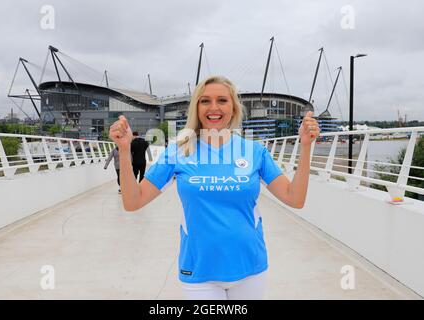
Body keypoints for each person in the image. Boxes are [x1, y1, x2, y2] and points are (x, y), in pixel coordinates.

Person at [109, 76, 320, 300]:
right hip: (199, 271)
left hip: (250, 268)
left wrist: (305, 147)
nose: (214, 108)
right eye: (205, 101)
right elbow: (133, 201)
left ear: (233, 108)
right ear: (196, 108)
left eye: (222, 100)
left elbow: (294, 198)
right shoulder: (178, 152)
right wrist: (124, 149)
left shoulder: (254, 152)